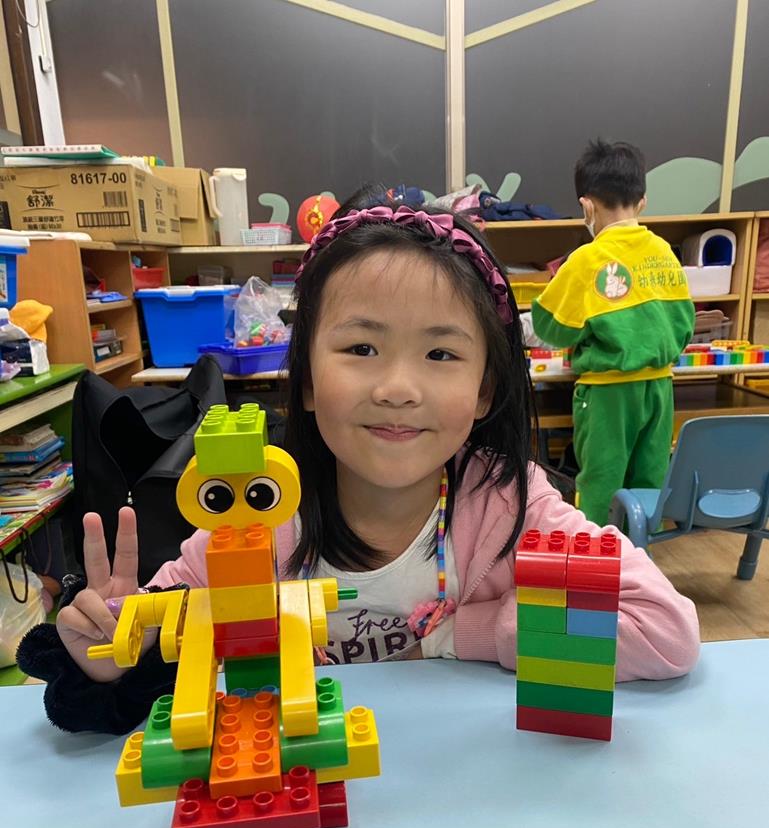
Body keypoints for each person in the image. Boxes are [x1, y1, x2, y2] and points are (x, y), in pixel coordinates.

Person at [17, 195, 700, 734]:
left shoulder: (509, 504)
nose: (397, 388)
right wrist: (110, 662)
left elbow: (664, 632)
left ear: (485, 389)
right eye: (361, 349)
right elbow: (160, 665)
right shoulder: (256, 519)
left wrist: (459, 633)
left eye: (441, 354)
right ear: (308, 379)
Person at [530, 139, 695, 525]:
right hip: (659, 388)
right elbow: (684, 322)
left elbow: (551, 326)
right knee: (650, 481)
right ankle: (642, 552)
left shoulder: (587, 259)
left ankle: (596, 553)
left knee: (601, 483)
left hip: (607, 393)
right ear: (642, 202)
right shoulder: (664, 252)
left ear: (587, 206)